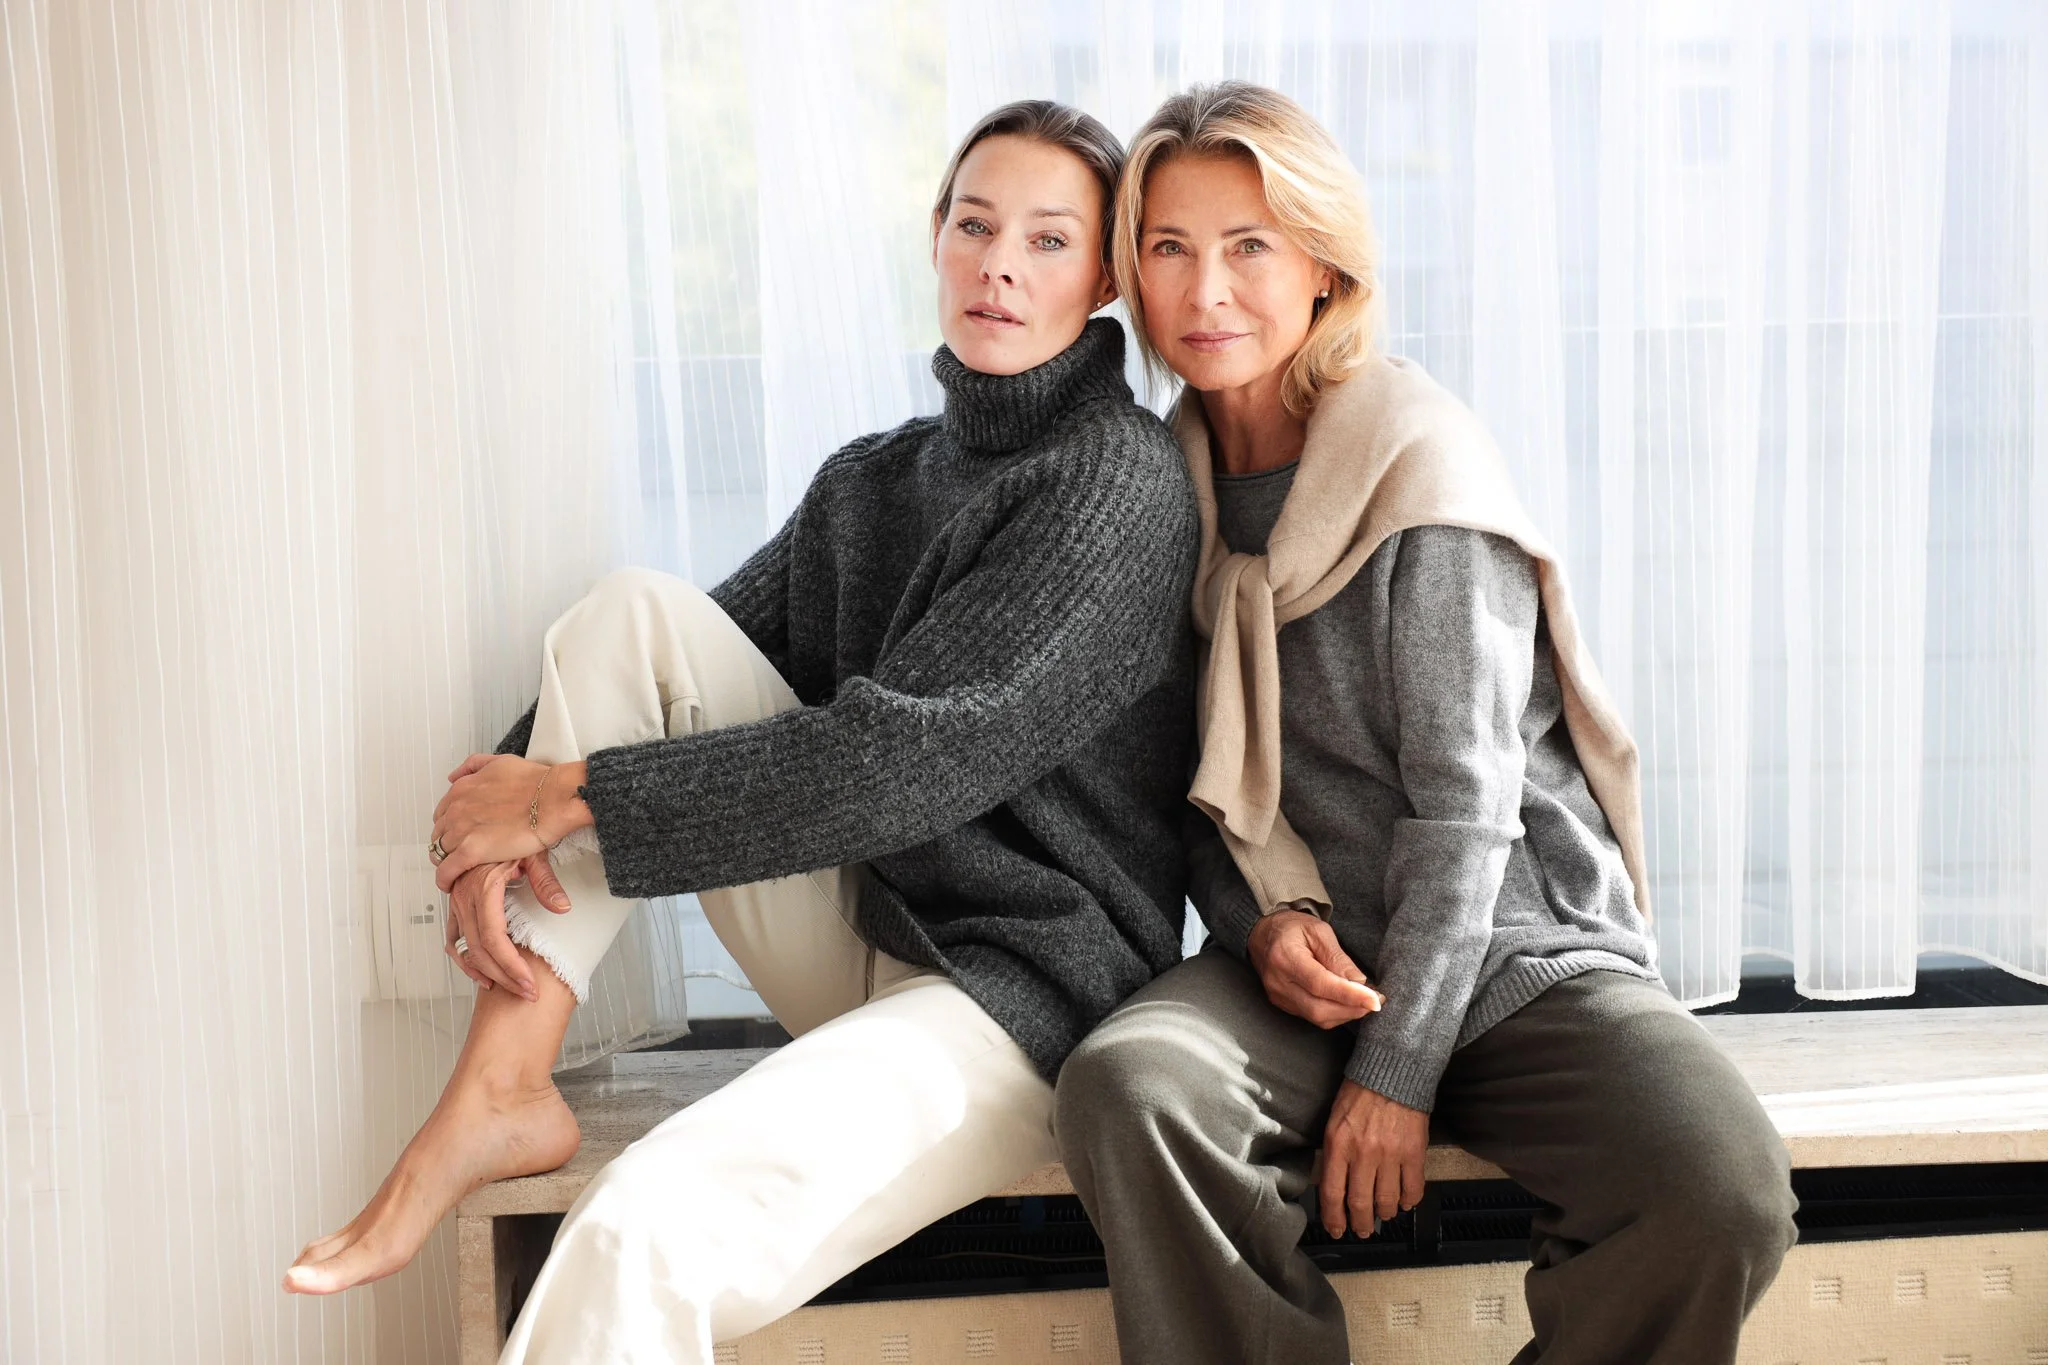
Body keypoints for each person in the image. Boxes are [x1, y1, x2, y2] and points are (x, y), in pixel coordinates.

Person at [284, 100, 1200, 1364]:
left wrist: (564, 799)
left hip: (1016, 1000)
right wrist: (491, 825)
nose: (998, 264)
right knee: (633, 613)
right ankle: (501, 1083)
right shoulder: (870, 479)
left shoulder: (1114, 482)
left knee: (637, 1231)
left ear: (1101, 278)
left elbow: (907, 759)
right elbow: (653, 666)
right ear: (934, 238)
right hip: (861, 929)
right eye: (974, 225)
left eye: (1047, 240)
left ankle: (508, 1093)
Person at [1052, 82, 1798, 1365]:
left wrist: (1395, 1073)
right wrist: (1261, 923)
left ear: (1324, 269)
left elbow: (1467, 814)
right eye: (1167, 248)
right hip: (1300, 967)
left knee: (1714, 1188)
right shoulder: (1149, 492)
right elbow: (1181, 793)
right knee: (1131, 1089)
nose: (1204, 291)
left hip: (1502, 945)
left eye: (1248, 247)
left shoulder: (1418, 468)